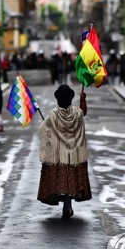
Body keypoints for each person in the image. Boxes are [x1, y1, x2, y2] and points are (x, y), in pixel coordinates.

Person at [37, 84, 92, 219]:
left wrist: (48, 127)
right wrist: (83, 99)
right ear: (70, 99)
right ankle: (68, 205)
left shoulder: (53, 115)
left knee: (62, 181)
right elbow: (83, 112)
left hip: (59, 157)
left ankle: (66, 205)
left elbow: (41, 130)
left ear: (58, 100)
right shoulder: (77, 113)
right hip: (74, 156)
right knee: (71, 181)